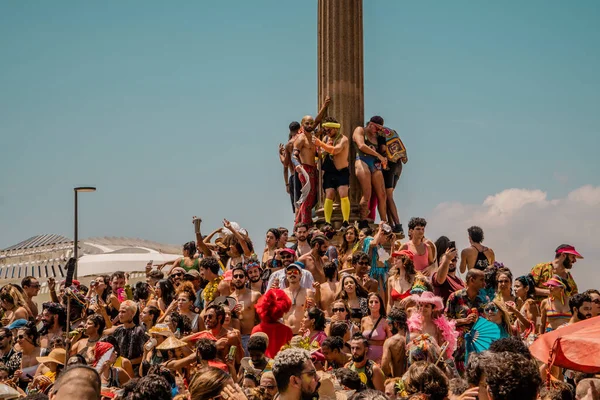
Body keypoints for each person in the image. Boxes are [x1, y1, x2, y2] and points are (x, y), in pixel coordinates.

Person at [292, 97, 332, 226]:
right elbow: (294, 155)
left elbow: (318, 120)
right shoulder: (301, 139)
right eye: (307, 124)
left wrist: (325, 106)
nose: (310, 125)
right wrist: (298, 166)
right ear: (302, 125)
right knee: (307, 198)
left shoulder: (313, 137)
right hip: (305, 169)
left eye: (311, 123)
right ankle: (305, 223)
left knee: (313, 197)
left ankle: (300, 222)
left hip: (314, 169)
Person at [445, 269, 488, 372]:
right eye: (481, 280)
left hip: (478, 346)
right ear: (472, 280)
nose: (484, 283)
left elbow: (488, 322)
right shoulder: (455, 297)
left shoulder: (485, 299)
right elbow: (446, 320)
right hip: (459, 348)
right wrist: (464, 321)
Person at [313, 116, 351, 227]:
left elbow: (335, 150)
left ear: (335, 129)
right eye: (325, 130)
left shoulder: (343, 139)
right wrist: (320, 148)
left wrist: (320, 144)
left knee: (343, 193)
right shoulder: (325, 139)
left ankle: (346, 221)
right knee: (329, 194)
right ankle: (327, 221)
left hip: (341, 171)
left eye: (329, 130)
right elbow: (321, 154)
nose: (327, 132)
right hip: (329, 171)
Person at [353, 116, 388, 224]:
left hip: (375, 163)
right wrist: (378, 155)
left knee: (382, 195)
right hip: (362, 160)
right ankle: (362, 220)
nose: (377, 131)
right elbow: (361, 145)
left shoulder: (378, 136)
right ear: (370, 124)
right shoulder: (360, 130)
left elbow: (383, 149)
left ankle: (384, 222)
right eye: (376, 128)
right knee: (367, 193)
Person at [252, 289, 293, 358]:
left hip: (262, 367)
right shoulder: (287, 330)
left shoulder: (256, 329)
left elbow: (252, 352)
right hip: (281, 365)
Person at [229, 265, 261, 355]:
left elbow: (261, 319)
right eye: (235, 276)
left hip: (251, 336)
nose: (238, 278)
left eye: (241, 276)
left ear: (246, 278)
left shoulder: (255, 295)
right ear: (232, 279)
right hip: (235, 339)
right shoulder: (229, 299)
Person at [108, 300, 146, 372]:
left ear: (132, 313)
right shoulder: (118, 330)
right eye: (119, 312)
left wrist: (129, 363)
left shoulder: (139, 331)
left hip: (134, 371)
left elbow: (146, 354)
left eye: (123, 312)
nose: (120, 314)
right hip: (117, 369)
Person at [283, 263, 317, 334]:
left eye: (295, 272)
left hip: (302, 333)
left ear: (300, 275)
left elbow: (313, 313)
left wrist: (314, 306)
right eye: (289, 272)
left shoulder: (308, 292)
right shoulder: (282, 293)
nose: (292, 274)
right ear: (286, 276)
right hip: (285, 334)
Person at [361, 293, 391, 364]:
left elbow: (390, 341)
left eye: (376, 302)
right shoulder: (363, 320)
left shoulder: (386, 321)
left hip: (380, 358)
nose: (373, 304)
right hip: (365, 358)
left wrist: (383, 358)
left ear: (380, 304)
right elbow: (361, 340)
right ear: (368, 304)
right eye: (371, 302)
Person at [280, 121, 302, 214]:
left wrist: (280, 155)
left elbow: (285, 165)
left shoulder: (289, 145)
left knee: (297, 204)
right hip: (303, 173)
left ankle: (297, 225)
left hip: (294, 176)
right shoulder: (302, 139)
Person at [381, 307, 408, 378]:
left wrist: (390, 376)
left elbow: (384, 366)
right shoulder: (415, 337)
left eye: (389, 325)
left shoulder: (389, 342)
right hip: (412, 382)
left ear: (395, 324)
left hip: (398, 381)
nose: (389, 328)